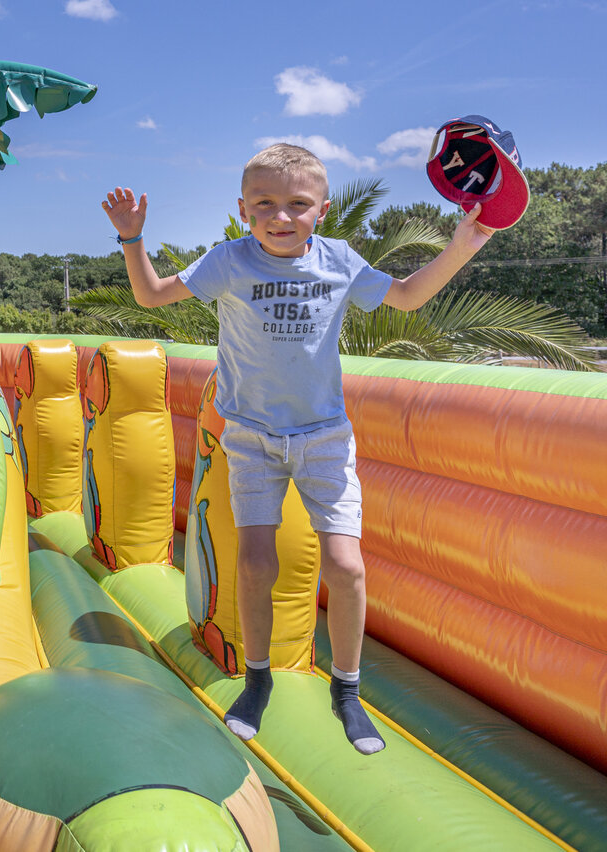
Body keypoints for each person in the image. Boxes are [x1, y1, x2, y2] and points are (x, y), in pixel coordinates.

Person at [102, 143, 495, 755]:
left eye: (297, 204)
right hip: (253, 440)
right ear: (242, 208)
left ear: (323, 210)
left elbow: (408, 297)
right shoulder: (229, 261)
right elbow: (152, 297)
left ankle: (347, 690)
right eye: (264, 204)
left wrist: (461, 246)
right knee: (257, 564)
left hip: (323, 440)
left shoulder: (338, 260)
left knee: (346, 567)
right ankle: (257, 680)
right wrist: (133, 239)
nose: (280, 216)